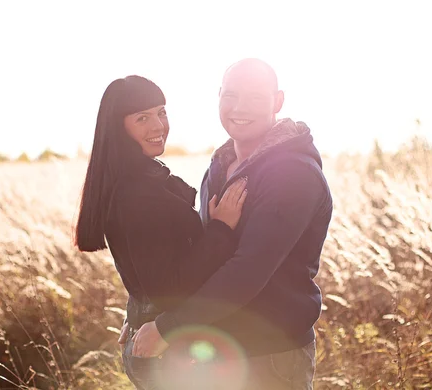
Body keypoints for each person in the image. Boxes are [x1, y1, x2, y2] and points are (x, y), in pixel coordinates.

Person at [130, 59, 333, 389]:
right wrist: (146, 317)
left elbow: (247, 270)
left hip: (269, 355)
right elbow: (201, 258)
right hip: (217, 351)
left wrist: (168, 329)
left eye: (255, 97)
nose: (240, 107)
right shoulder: (222, 163)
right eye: (231, 95)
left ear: (277, 101)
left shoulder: (292, 174)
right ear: (219, 96)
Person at [74, 75, 248, 389]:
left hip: (155, 333)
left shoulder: (135, 181)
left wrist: (137, 310)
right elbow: (171, 286)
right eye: (142, 118)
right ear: (119, 127)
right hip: (166, 350)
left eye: (161, 112)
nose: (158, 126)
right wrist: (221, 230)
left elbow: (150, 268)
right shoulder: (137, 194)